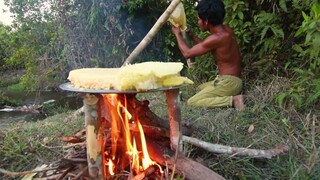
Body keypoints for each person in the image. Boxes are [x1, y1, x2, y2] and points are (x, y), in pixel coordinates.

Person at [171, 0, 245, 111]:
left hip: (229, 83)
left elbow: (187, 53)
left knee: (192, 101)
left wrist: (177, 35)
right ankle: (224, 96)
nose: (198, 22)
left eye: (199, 19)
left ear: (206, 21)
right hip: (228, 81)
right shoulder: (226, 31)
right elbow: (209, 46)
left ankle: (233, 100)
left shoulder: (217, 38)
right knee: (199, 89)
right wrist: (193, 37)